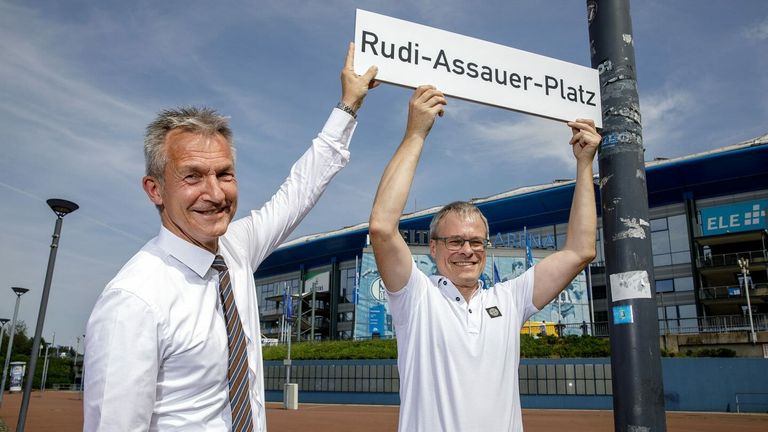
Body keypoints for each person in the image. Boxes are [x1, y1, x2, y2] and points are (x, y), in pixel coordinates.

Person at [84, 44, 378, 431]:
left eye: (224, 174)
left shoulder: (235, 249)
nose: (216, 193)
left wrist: (349, 105)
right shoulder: (133, 302)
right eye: (192, 176)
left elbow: (299, 190)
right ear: (155, 190)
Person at [368, 85, 599, 431]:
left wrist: (584, 165)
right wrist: (416, 133)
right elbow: (382, 228)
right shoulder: (416, 297)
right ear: (433, 248)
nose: (467, 250)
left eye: (477, 242)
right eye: (455, 241)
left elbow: (580, 251)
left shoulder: (510, 299)